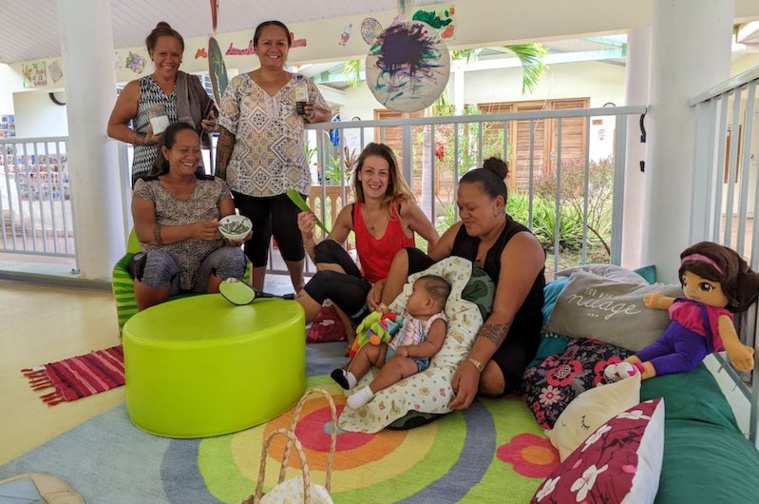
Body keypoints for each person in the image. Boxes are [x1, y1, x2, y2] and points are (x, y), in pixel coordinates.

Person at [370, 157, 546, 410]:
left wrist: (474, 364)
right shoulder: (460, 231)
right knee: (407, 256)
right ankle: (383, 329)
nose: (464, 215)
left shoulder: (521, 245)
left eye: (471, 208)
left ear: (498, 205)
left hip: (510, 331)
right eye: (460, 207)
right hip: (459, 325)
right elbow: (428, 273)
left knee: (491, 380)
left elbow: (503, 315)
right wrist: (384, 283)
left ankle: (430, 360)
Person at [215, 20, 332, 292]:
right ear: (255, 47)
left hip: (289, 175)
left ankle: (300, 290)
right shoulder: (239, 85)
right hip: (246, 176)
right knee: (255, 236)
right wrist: (219, 180)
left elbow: (325, 113)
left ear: (289, 46)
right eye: (267, 42)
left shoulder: (302, 84)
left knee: (289, 231)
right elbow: (227, 132)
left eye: (280, 43)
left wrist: (316, 115)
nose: (274, 48)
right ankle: (255, 293)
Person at [295, 142, 439, 347]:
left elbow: (435, 240)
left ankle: (373, 333)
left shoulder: (403, 208)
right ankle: (351, 332)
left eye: (382, 173)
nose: (375, 179)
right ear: (360, 175)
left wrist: (425, 291)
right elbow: (323, 260)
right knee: (326, 250)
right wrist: (307, 238)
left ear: (390, 179)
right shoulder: (351, 213)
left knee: (325, 280)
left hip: (399, 295)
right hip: (368, 296)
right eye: (369, 171)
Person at [130, 123, 248, 311]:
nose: (191, 157)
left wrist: (236, 238)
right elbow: (145, 233)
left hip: (207, 271)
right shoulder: (146, 186)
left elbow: (229, 225)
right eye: (183, 150)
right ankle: (150, 328)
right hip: (167, 274)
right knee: (156, 263)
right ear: (166, 153)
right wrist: (192, 230)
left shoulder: (216, 186)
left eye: (196, 150)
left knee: (233, 256)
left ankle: (215, 319)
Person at [605, 241, 758, 382]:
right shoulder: (687, 302)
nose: (690, 290)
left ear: (728, 289)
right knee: (654, 349)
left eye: (705, 286)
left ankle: (640, 371)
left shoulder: (720, 316)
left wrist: (736, 349)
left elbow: (729, 336)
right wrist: (658, 301)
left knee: (682, 361)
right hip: (669, 337)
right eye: (686, 282)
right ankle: (625, 365)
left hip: (692, 347)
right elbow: (673, 303)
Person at [108, 21, 217, 186]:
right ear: (152, 54)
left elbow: (213, 116)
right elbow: (113, 128)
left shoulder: (192, 84)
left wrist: (211, 124)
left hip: (189, 170)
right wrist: (145, 139)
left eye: (175, 54)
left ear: (181, 56)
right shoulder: (136, 88)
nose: (169, 59)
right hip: (149, 172)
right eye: (162, 54)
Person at [329, 275, 451, 409]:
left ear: (427, 303)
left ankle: (367, 393)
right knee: (370, 347)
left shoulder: (436, 322)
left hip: (412, 361)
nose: (408, 296)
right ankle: (351, 377)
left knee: (397, 365)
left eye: (413, 292)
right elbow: (395, 322)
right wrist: (385, 313)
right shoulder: (408, 314)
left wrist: (410, 350)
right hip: (391, 349)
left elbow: (433, 346)